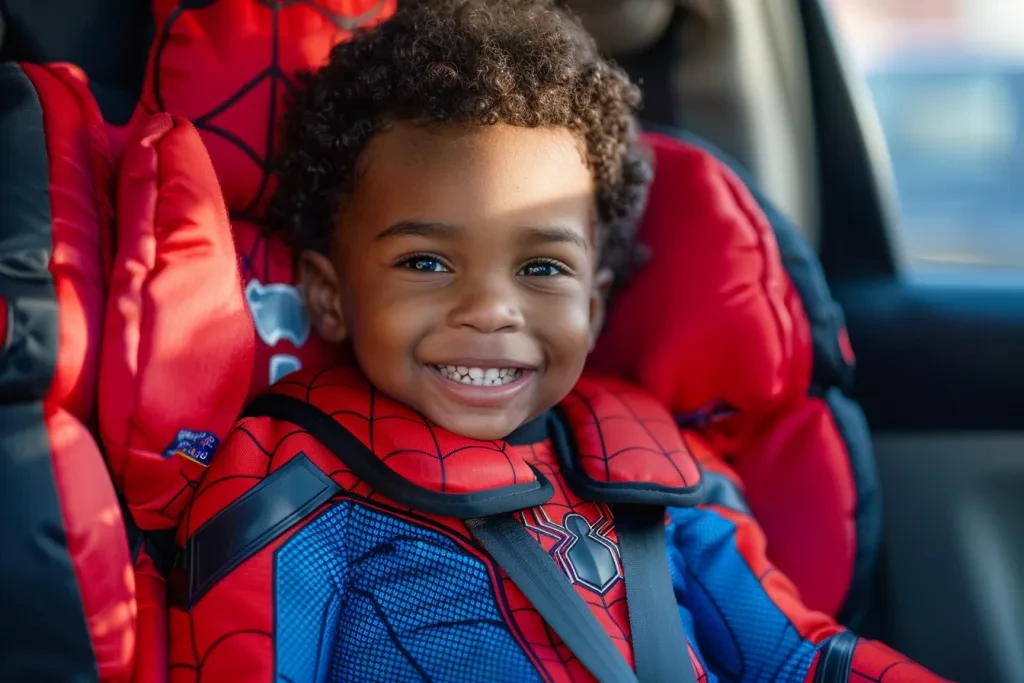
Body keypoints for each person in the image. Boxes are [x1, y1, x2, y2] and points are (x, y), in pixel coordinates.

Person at [166, 1, 948, 681]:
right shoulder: (295, 483)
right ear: (329, 296)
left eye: (541, 266)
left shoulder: (658, 461)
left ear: (594, 302)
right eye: (427, 261)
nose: (490, 309)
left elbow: (792, 657)